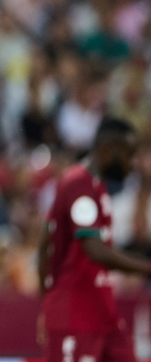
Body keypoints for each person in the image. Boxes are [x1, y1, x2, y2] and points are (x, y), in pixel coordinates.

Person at [38, 117, 149, 362]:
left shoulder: (95, 186)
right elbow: (95, 250)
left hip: (101, 312)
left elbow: (46, 241)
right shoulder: (79, 184)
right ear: (109, 150)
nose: (132, 164)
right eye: (128, 154)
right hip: (75, 315)